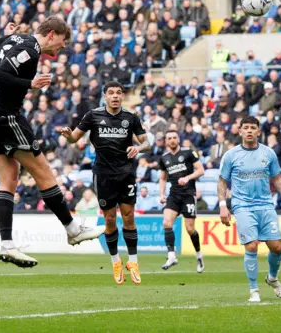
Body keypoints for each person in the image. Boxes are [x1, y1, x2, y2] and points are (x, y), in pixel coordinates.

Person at [0, 17, 105, 268]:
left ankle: (8, 245)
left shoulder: (13, 40)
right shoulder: (30, 49)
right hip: (4, 117)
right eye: (63, 42)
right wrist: (29, 83)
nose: (61, 48)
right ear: (52, 34)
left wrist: (2, 40)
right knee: (43, 170)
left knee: (9, 179)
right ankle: (72, 229)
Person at [61, 81, 150, 285]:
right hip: (103, 175)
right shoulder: (93, 116)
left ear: (122, 96)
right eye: (111, 93)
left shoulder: (131, 117)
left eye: (119, 93)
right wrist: (68, 136)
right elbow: (75, 138)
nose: (115, 96)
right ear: (105, 96)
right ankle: (116, 262)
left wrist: (139, 148)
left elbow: (146, 142)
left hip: (126, 173)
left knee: (129, 217)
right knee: (109, 220)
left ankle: (133, 262)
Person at [218, 116, 281, 302]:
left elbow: (277, 178)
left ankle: (272, 278)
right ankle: (254, 290)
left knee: (276, 247)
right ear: (240, 131)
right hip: (242, 205)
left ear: (258, 131)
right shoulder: (231, 155)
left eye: (252, 128)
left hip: (265, 204)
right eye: (245, 127)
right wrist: (223, 205)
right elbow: (222, 181)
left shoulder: (268, 153)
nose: (249, 131)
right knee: (251, 245)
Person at [158, 130, 206, 272]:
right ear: (166, 141)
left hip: (188, 195)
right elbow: (162, 178)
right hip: (174, 195)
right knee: (166, 222)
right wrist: (161, 194)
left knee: (190, 229)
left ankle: (199, 255)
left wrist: (188, 178)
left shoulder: (188, 153)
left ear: (178, 139)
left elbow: (201, 170)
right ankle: (171, 256)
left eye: (174, 137)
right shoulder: (164, 158)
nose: (172, 140)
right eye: (169, 138)